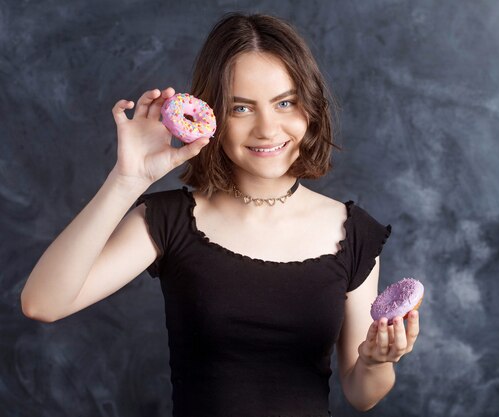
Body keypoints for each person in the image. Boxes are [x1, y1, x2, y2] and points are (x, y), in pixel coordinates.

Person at [21, 12, 420, 417]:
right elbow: (42, 303)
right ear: (210, 116)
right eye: (241, 108)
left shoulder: (353, 233)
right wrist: (127, 179)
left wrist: (375, 361)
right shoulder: (168, 221)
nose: (268, 128)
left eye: (285, 103)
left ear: (310, 109)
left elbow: (362, 394)